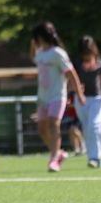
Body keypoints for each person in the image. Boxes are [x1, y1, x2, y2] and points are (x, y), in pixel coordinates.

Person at [30, 22, 85, 173]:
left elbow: (71, 73)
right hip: (42, 97)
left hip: (57, 96)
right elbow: (34, 57)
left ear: (41, 36)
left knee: (53, 125)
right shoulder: (40, 53)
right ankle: (58, 153)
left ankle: (53, 159)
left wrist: (79, 94)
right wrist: (32, 46)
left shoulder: (58, 53)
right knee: (42, 129)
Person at [73, 35, 101, 168]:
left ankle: (95, 157)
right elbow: (72, 79)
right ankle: (96, 157)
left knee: (95, 126)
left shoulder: (100, 62)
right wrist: (76, 89)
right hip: (81, 99)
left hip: (97, 98)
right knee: (88, 128)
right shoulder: (77, 63)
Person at [63, 89, 86, 156]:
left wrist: (70, 105)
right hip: (69, 115)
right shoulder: (68, 94)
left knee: (74, 130)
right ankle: (76, 149)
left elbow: (79, 104)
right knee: (71, 132)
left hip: (77, 115)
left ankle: (83, 144)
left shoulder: (76, 93)